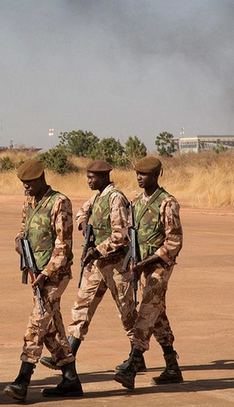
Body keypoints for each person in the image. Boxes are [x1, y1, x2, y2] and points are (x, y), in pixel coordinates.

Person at [40, 160, 138, 378]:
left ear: (103, 177)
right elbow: (81, 212)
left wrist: (97, 250)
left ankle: (136, 357)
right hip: (97, 265)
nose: (88, 180)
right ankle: (68, 355)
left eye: (92, 177)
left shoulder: (115, 198)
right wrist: (84, 224)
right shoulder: (97, 198)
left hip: (116, 265)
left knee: (127, 313)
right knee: (81, 308)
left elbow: (121, 236)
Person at [3, 159, 83, 402]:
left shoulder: (59, 202)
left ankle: (22, 380)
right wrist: (18, 242)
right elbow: (23, 230)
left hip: (54, 275)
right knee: (51, 328)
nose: (25, 186)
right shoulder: (30, 202)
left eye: (29, 182)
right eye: (23, 183)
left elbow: (63, 246)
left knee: (36, 324)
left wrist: (46, 273)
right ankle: (70, 379)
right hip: (36, 273)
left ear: (41, 178)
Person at [114, 156, 185, 388]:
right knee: (157, 315)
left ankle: (133, 364)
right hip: (140, 266)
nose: (139, 178)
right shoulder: (135, 201)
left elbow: (174, 241)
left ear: (156, 176)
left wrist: (148, 262)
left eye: (143, 174)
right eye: (137, 174)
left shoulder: (167, 203)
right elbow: (130, 233)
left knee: (146, 312)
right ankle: (172, 367)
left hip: (159, 267)